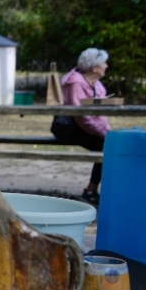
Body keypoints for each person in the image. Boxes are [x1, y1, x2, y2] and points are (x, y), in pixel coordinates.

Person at [51, 48, 112, 205]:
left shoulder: (97, 84)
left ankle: (95, 190)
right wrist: (104, 134)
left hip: (87, 128)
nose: (106, 66)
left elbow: (99, 115)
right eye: (104, 63)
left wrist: (108, 131)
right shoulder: (76, 82)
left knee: (109, 145)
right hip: (71, 128)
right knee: (106, 147)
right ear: (94, 67)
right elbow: (81, 116)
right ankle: (91, 191)